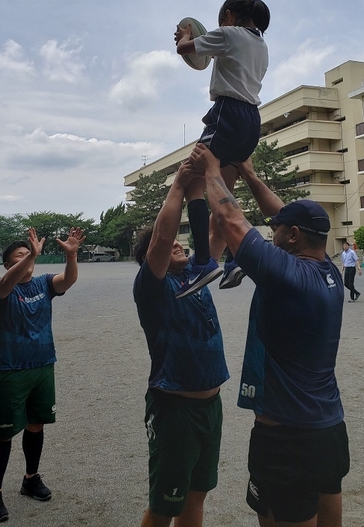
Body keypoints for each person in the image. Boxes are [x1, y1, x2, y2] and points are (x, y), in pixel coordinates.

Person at [191, 143, 350, 527]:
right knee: (327, 498)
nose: (271, 229)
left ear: (293, 236)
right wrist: (247, 172)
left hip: (286, 435)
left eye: (277, 229)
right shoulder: (326, 270)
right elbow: (282, 215)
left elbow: (230, 219)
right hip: (327, 426)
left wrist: (212, 169)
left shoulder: (286, 276)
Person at [133, 162, 230, 527]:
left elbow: (218, 226)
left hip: (210, 407)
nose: (177, 242)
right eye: (169, 242)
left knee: (196, 496)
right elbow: (161, 238)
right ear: (148, 261)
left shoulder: (195, 277)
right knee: (164, 506)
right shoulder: (152, 289)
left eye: (179, 240)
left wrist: (215, 175)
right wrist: (178, 185)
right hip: (175, 409)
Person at [0, 226, 85, 523]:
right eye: (20, 257)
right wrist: (31, 258)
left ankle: (30, 479)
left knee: (36, 425)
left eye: (29, 256)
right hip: (11, 370)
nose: (28, 261)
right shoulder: (0, 287)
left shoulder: (43, 283)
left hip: (43, 366)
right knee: (3, 434)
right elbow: (6, 283)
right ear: (8, 265)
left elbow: (68, 280)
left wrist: (72, 255)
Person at [175, 0, 270, 293]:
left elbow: (184, 50)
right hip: (251, 120)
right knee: (222, 194)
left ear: (228, 16)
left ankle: (203, 261)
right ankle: (236, 258)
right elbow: (222, 59)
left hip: (228, 115)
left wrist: (185, 33)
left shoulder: (228, 34)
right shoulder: (260, 44)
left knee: (191, 180)